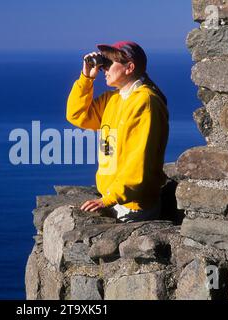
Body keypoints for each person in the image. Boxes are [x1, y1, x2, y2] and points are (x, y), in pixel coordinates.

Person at [66, 41, 169, 223]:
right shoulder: (114, 99)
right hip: (114, 199)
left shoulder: (145, 102)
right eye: (103, 63)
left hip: (134, 206)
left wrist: (109, 199)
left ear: (129, 67)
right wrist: (86, 78)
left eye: (108, 63)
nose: (104, 69)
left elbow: (139, 160)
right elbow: (77, 115)